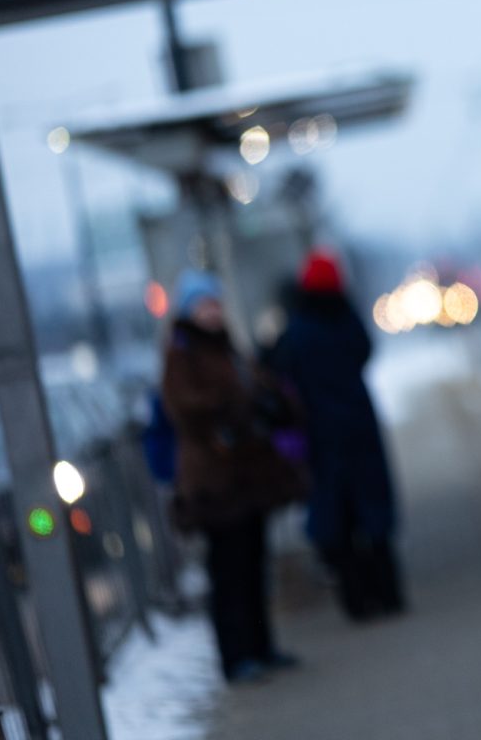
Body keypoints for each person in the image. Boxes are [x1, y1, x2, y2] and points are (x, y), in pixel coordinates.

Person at [161, 270, 303, 684]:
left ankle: (261, 646)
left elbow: (257, 386)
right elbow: (185, 407)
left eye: (216, 304)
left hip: (246, 475)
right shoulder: (181, 352)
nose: (213, 312)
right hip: (215, 481)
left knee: (254, 563)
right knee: (228, 571)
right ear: (190, 310)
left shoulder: (227, 347)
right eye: (205, 305)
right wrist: (237, 406)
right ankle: (235, 656)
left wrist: (270, 401)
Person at [273, 250, 405, 620]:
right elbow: (365, 351)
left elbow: (284, 368)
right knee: (374, 513)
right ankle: (390, 594)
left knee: (341, 521)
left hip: (322, 434)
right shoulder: (346, 318)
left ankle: (358, 602)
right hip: (360, 426)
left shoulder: (298, 329)